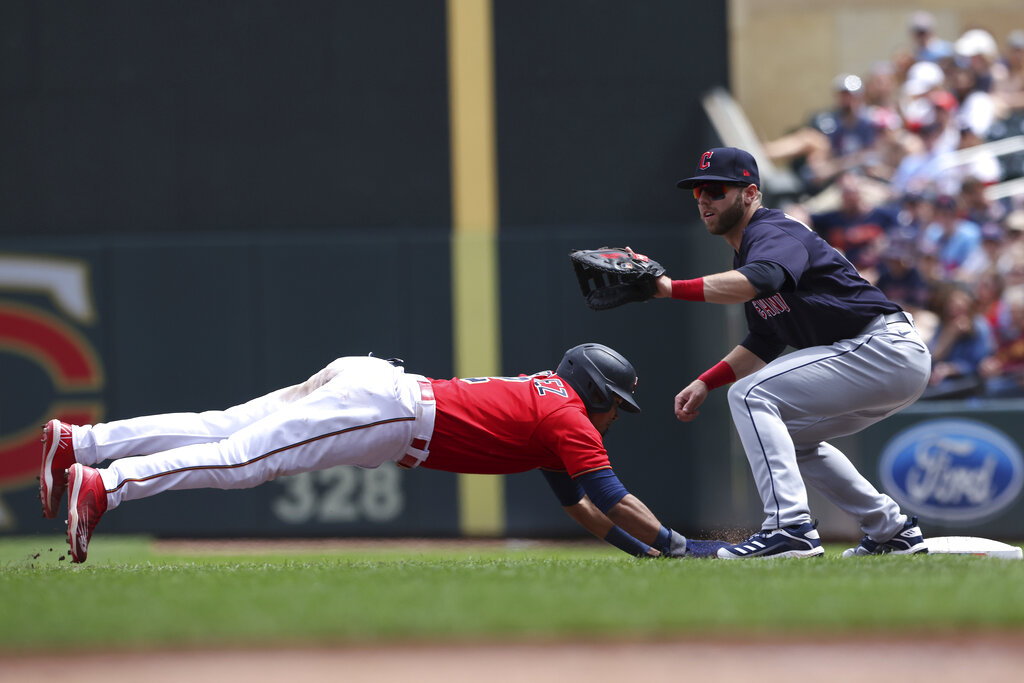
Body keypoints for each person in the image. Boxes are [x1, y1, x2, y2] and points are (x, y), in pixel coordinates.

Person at [39, 344, 726, 563]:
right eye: (616, 403)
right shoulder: (569, 417)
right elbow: (610, 497)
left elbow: (579, 507)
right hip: (392, 412)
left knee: (222, 426)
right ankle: (104, 483)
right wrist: (680, 545)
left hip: (375, 382)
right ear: (598, 391)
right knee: (244, 457)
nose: (614, 418)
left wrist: (646, 555)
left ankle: (79, 443)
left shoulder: (548, 406)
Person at [653, 147, 932, 559]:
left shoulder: (772, 232)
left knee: (750, 395)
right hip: (880, 357)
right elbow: (764, 341)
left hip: (881, 347)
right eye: (697, 193)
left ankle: (789, 528)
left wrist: (671, 288)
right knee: (795, 437)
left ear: (750, 193)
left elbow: (759, 280)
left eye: (715, 190)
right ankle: (891, 530)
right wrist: (705, 382)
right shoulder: (747, 250)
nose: (705, 200)